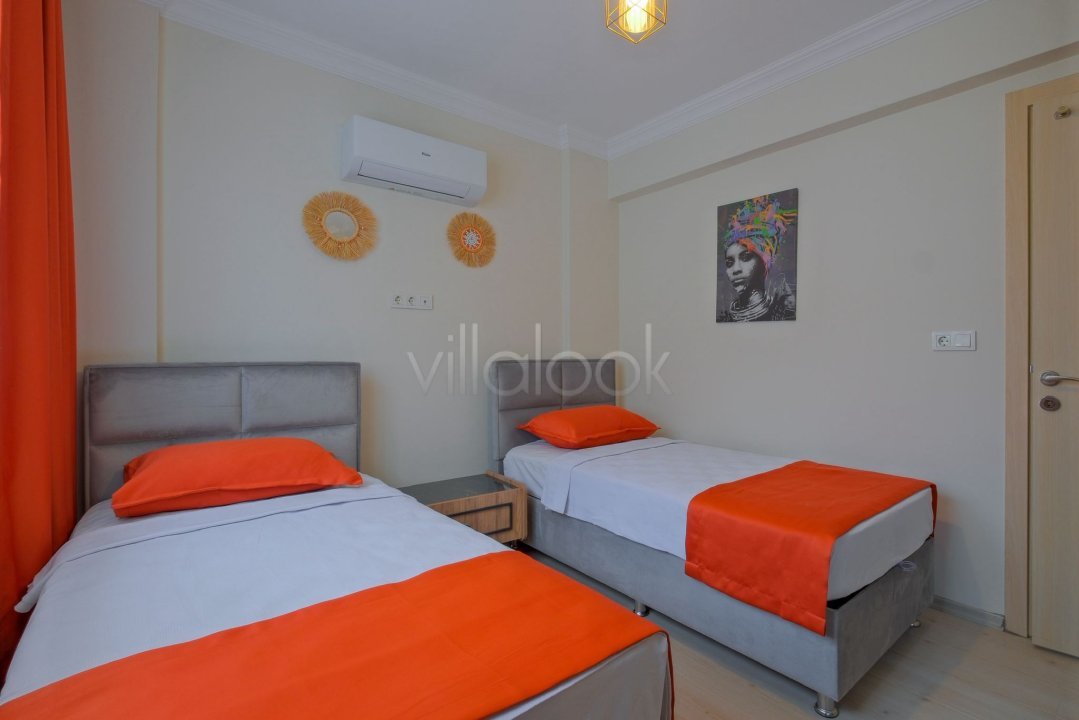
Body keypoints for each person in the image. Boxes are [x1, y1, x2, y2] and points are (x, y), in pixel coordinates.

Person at [717, 194, 796, 322]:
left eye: (745, 257)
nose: (736, 269)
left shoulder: (785, 310)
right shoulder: (724, 317)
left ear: (764, 261)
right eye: (729, 263)